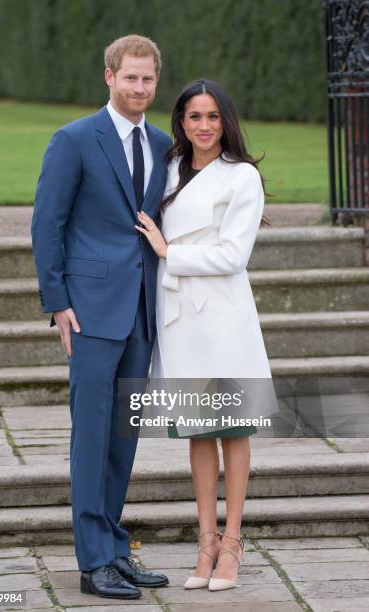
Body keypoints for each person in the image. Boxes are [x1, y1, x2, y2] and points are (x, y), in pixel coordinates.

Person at [31, 34, 172, 600]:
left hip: (142, 309)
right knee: (91, 435)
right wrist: (57, 302)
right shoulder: (73, 140)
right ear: (108, 76)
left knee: (123, 435)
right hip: (89, 313)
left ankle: (114, 547)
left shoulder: (163, 144)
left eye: (148, 79)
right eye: (130, 77)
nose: (140, 88)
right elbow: (48, 223)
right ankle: (93, 564)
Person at [135, 79, 272, 592]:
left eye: (213, 116)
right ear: (182, 121)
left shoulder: (242, 178)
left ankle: (233, 543)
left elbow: (234, 256)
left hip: (223, 316)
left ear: (226, 121)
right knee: (196, 430)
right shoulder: (168, 166)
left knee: (234, 427)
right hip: (179, 316)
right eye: (195, 116)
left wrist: (172, 253)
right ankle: (206, 542)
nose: (204, 125)